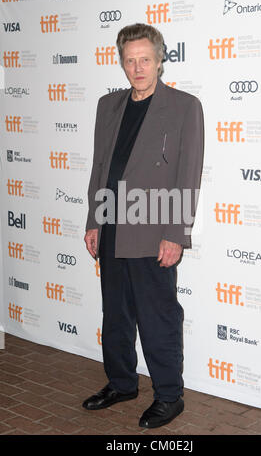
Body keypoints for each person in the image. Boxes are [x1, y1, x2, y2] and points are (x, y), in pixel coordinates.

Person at [83, 23, 204, 429]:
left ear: (160, 60)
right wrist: (94, 221)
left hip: (154, 230)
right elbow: (101, 168)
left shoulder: (185, 106)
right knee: (114, 315)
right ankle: (121, 383)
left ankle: (169, 396)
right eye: (129, 60)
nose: (137, 68)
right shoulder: (107, 106)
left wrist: (175, 233)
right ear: (122, 62)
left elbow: (188, 176)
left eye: (145, 60)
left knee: (158, 317)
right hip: (113, 225)